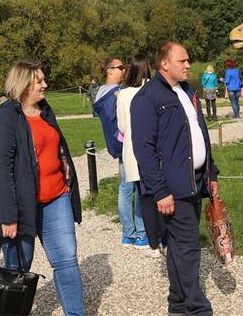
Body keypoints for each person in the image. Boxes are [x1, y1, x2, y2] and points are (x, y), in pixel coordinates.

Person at [0, 60, 85, 316]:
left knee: (67, 260)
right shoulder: (5, 118)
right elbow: (0, 171)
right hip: (21, 206)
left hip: (56, 198)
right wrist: (8, 216)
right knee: (18, 267)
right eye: (39, 80)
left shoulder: (46, 111)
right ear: (24, 84)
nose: (45, 84)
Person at [132, 42, 220, 316]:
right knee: (188, 247)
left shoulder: (188, 91)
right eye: (182, 61)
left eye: (188, 60)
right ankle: (197, 308)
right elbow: (143, 149)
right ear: (164, 64)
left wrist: (211, 174)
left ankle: (179, 305)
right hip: (172, 186)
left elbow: (200, 134)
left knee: (179, 247)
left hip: (194, 180)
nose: (187, 65)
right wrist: (160, 191)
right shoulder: (148, 98)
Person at [94, 56, 147, 248]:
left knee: (125, 189)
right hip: (126, 144)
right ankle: (140, 233)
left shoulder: (101, 93)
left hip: (117, 145)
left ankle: (128, 233)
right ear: (109, 70)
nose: (124, 71)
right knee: (138, 187)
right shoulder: (114, 94)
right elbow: (119, 123)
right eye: (120, 67)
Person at [116, 53, 163, 257]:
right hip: (150, 147)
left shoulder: (123, 94)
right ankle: (149, 234)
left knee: (134, 192)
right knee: (151, 192)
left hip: (130, 148)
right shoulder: (153, 90)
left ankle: (135, 234)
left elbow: (122, 126)